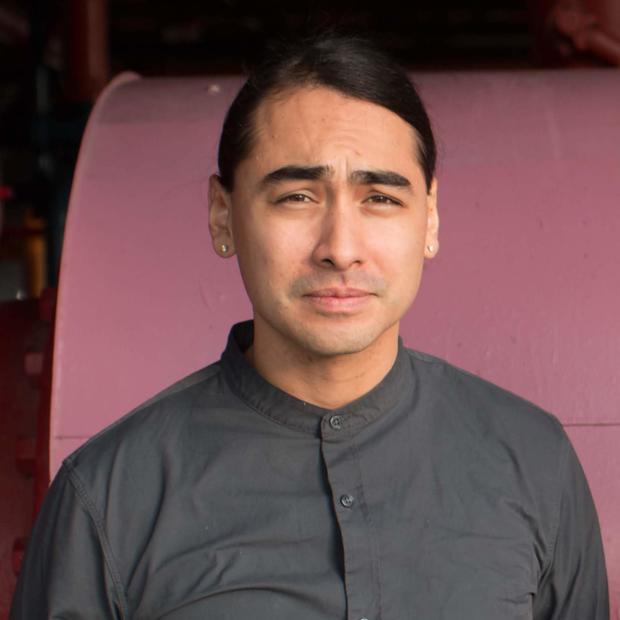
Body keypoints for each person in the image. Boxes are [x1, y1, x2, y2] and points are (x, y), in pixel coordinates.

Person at [11, 34, 608, 620]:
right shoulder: (110, 497)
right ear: (223, 214)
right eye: (297, 197)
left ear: (429, 218)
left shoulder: (533, 462)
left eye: (379, 198)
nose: (341, 249)